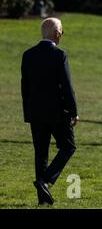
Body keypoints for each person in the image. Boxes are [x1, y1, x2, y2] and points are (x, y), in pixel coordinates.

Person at [21, 17, 79, 206]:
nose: (62, 34)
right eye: (62, 31)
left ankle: (42, 199)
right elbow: (67, 86)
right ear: (56, 33)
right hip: (57, 113)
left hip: (35, 112)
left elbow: (25, 87)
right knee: (68, 146)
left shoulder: (28, 55)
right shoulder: (59, 54)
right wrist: (73, 111)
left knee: (41, 153)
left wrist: (27, 112)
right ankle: (45, 181)